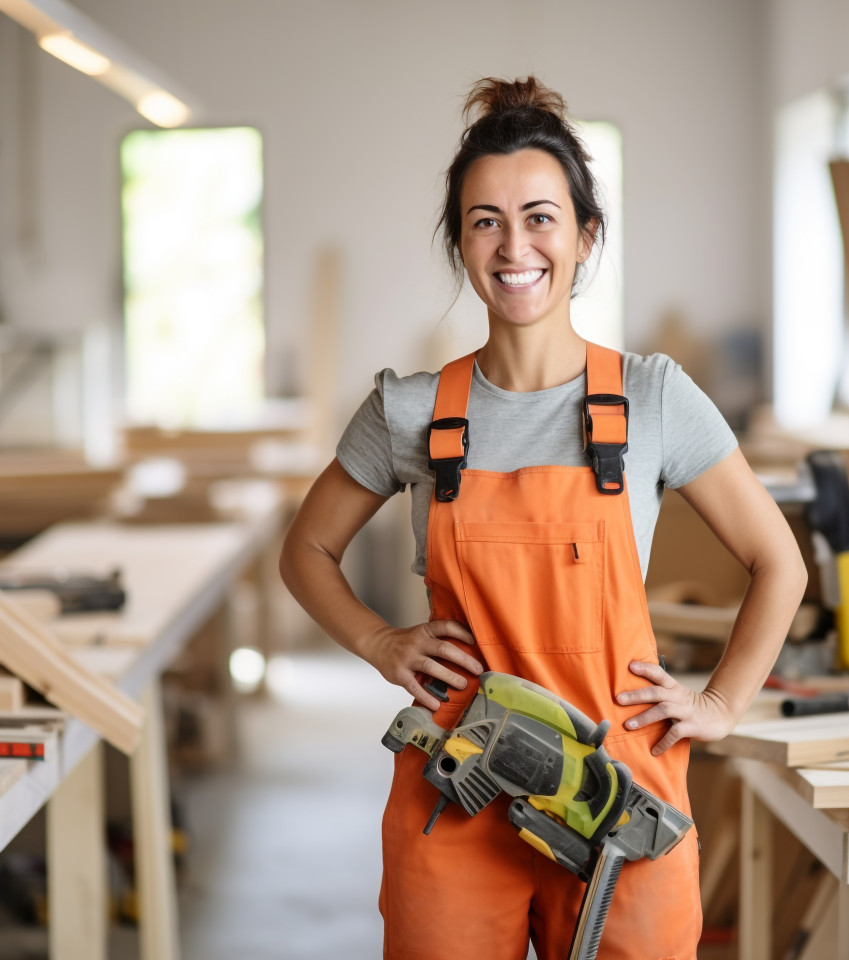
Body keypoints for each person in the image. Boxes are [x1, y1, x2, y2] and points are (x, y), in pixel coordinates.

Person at [280, 76, 807, 960]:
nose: (513, 244)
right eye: (485, 220)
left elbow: (778, 561)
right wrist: (379, 643)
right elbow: (306, 550)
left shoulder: (651, 399)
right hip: (458, 786)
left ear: (584, 235)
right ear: (461, 242)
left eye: (539, 216)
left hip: (616, 789)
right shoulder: (412, 410)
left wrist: (720, 702)